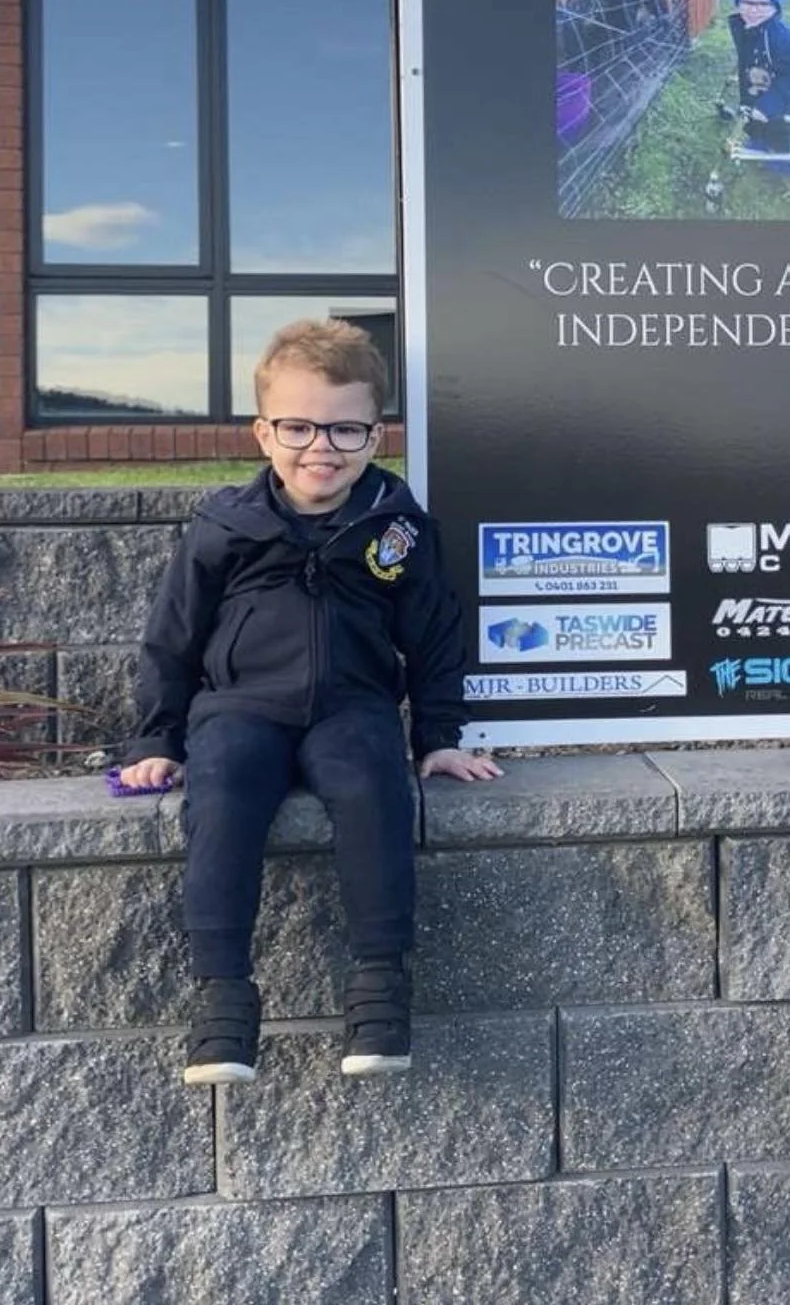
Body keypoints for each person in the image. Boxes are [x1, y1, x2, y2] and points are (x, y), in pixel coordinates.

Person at [116, 317, 500, 1087]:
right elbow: (173, 638)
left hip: (350, 710)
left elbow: (433, 634)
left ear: (375, 435)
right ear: (263, 432)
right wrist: (155, 740)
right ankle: (223, 1002)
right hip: (238, 712)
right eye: (298, 426)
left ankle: (380, 991)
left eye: (344, 429)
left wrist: (439, 736)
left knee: (372, 787)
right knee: (221, 792)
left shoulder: (397, 529)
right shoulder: (226, 527)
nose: (320, 446)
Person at [727, 0, 790, 169]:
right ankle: (757, 142)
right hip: (752, 87)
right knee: (751, 118)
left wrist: (769, 104)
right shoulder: (740, 26)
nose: (754, 10)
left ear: (776, 6)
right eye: (747, 2)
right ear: (737, 2)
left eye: (764, 4)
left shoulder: (784, 38)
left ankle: (785, 163)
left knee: (776, 128)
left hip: (778, 97)